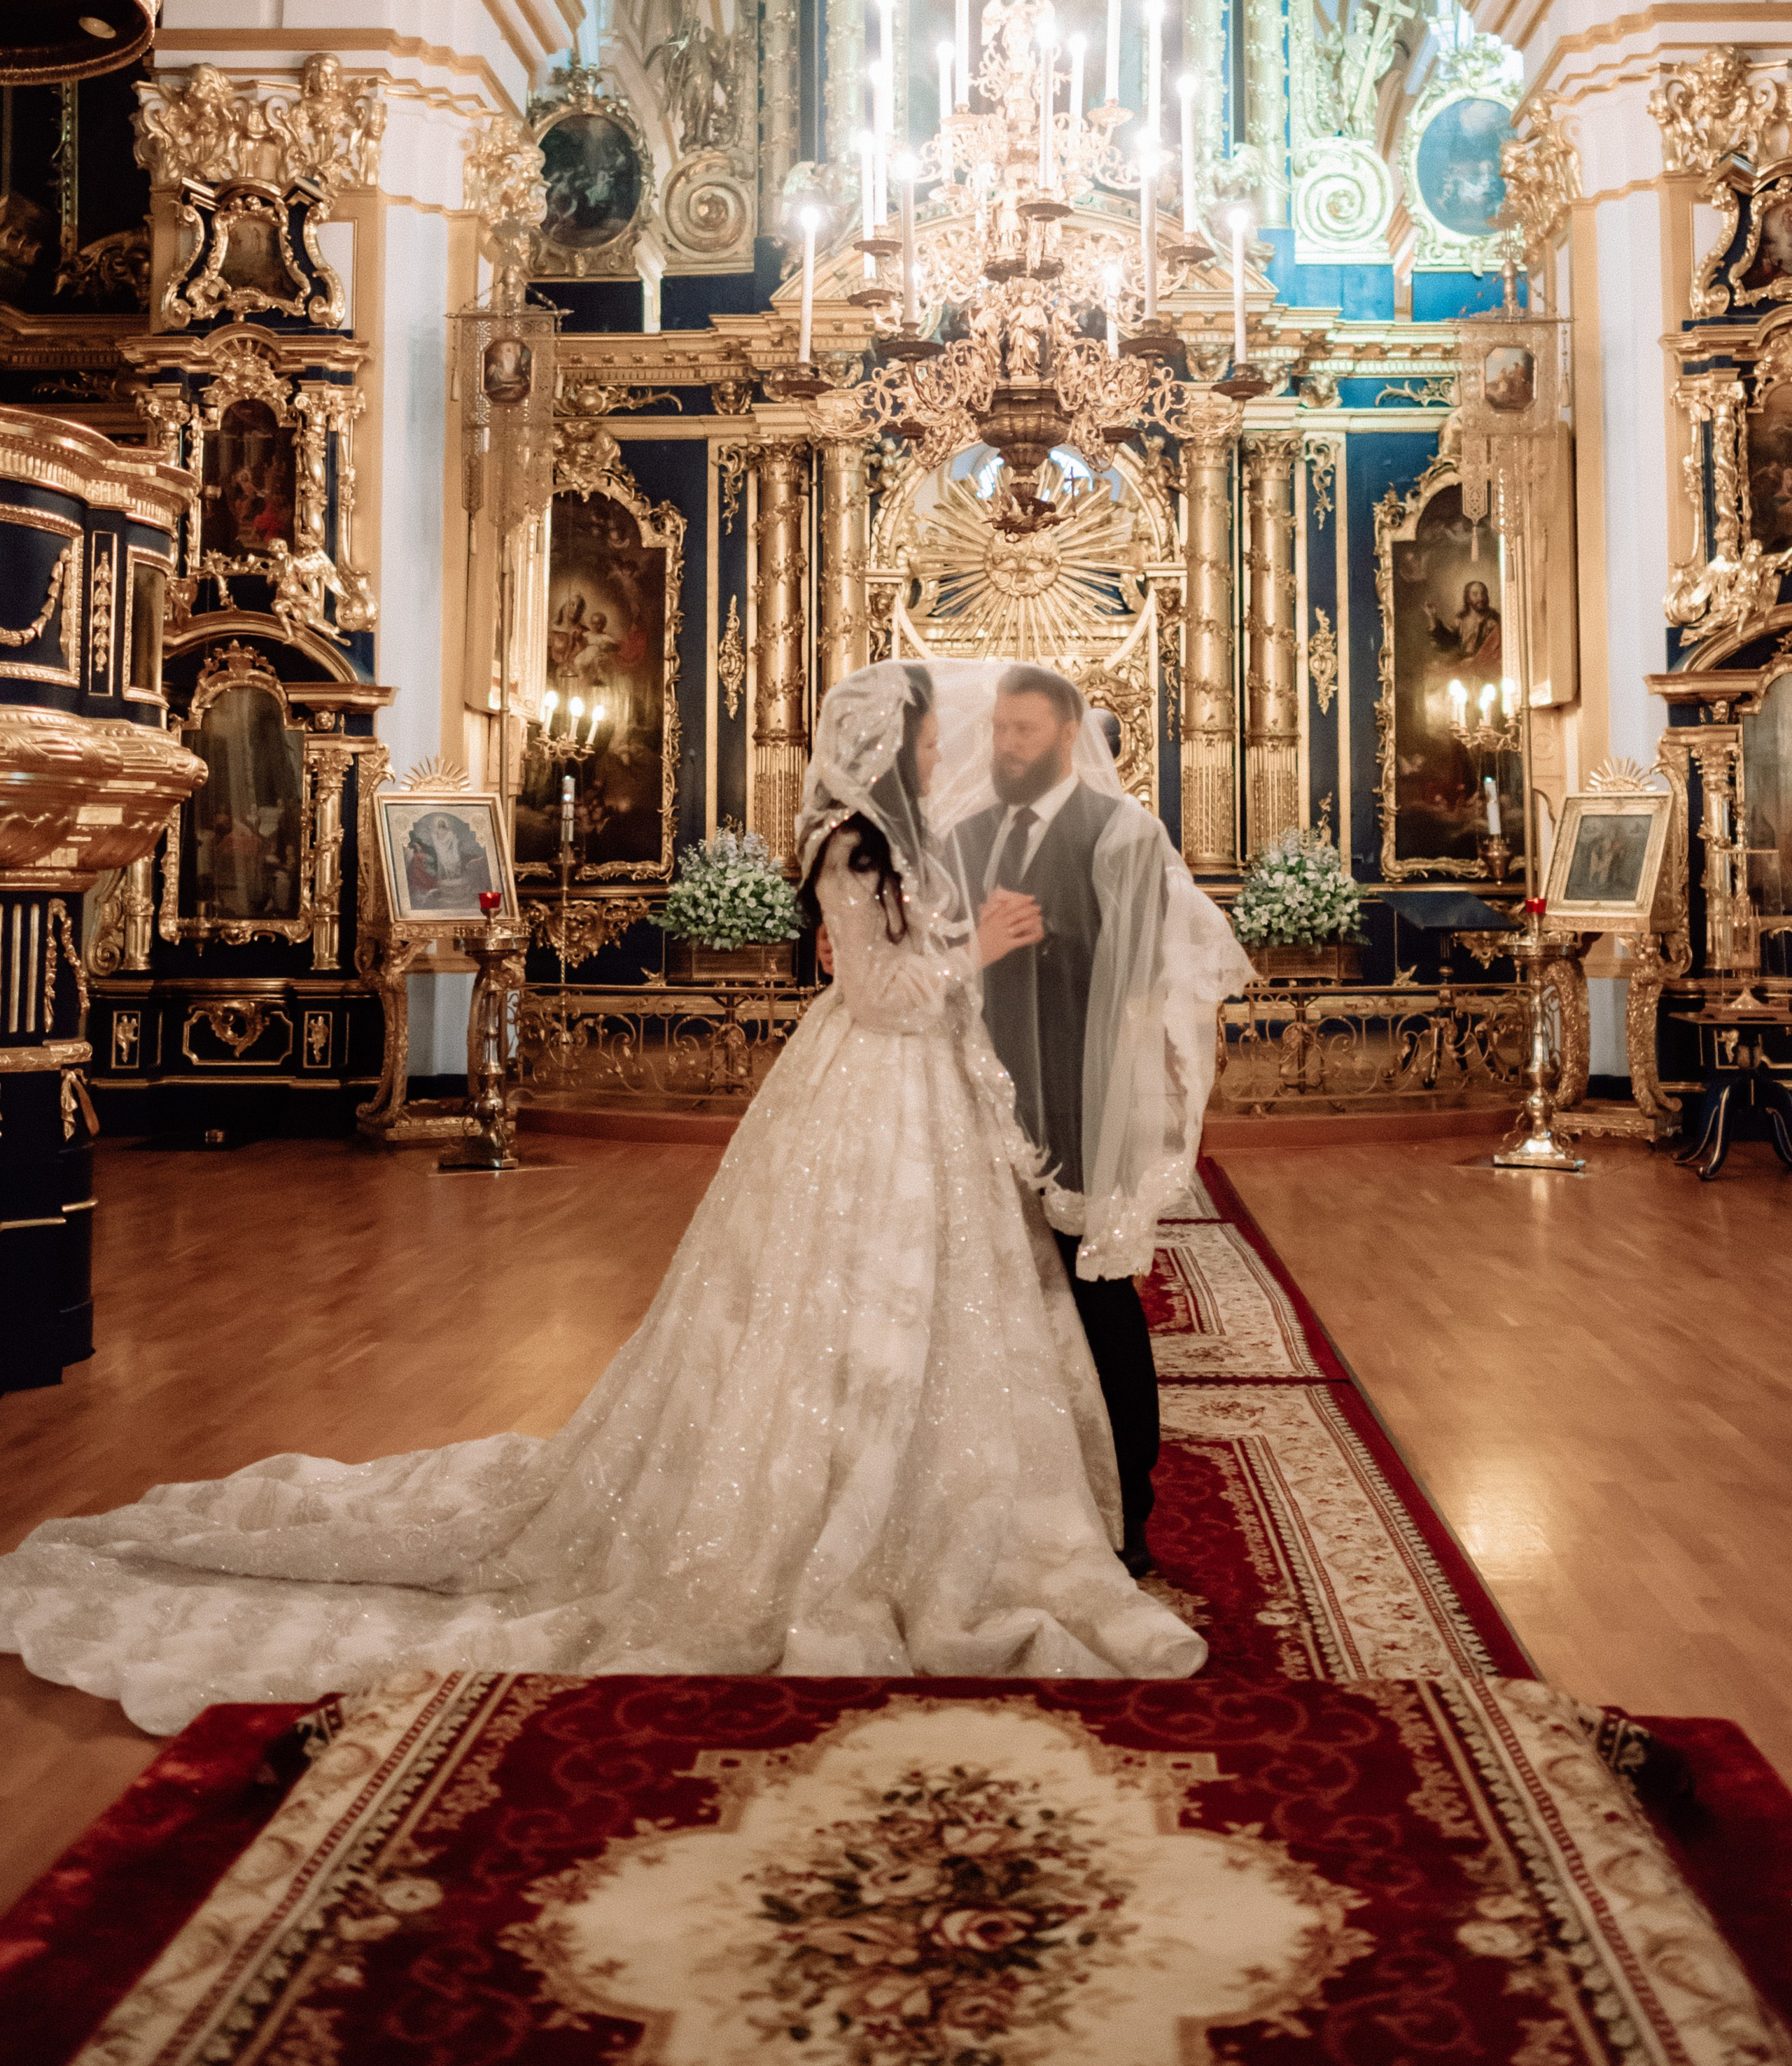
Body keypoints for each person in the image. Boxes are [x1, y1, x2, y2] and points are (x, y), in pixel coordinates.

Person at [0, 661, 1203, 1737]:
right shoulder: (852, 847)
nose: (946, 755)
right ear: (889, 746)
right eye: (932, 740)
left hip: (921, 1097)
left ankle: (943, 1498)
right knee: (837, 1300)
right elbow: (890, 996)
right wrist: (979, 952)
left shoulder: (902, 841)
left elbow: (911, 974)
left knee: (938, 1304)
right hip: (875, 1085)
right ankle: (833, 1508)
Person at [953, 667, 1254, 1573]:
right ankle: (999, 1499)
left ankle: (1129, 1510)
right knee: (987, 1300)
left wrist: (1057, 939)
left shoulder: (1125, 833)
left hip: (1086, 1106)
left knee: (1099, 1303)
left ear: (1071, 733)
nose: (1007, 746)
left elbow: (1151, 977)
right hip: (976, 1100)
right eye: (1000, 729)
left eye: (1026, 731)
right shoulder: (965, 836)